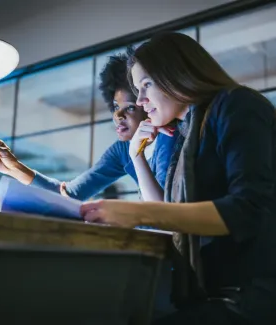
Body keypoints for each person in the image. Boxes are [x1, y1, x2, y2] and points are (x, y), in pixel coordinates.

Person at [80, 32, 276, 324]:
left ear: (178, 73)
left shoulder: (236, 106)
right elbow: (168, 216)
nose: (142, 100)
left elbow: (248, 210)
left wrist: (136, 212)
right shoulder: (186, 132)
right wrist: (136, 156)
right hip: (214, 292)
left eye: (146, 85)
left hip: (249, 295)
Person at [0, 54, 176, 201]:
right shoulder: (122, 150)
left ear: (147, 105)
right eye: (116, 107)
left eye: (130, 108)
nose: (118, 116)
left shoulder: (168, 137)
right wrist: (12, 166)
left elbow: (163, 212)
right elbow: (69, 194)